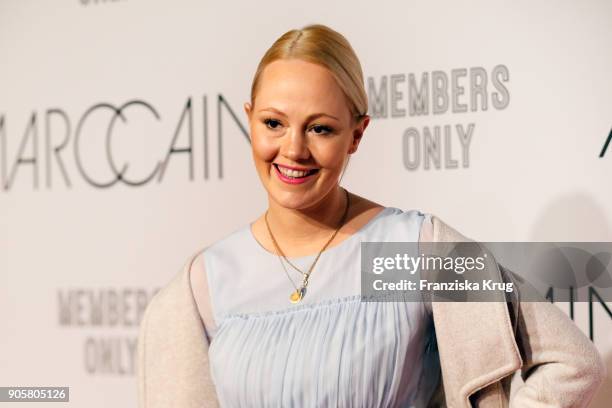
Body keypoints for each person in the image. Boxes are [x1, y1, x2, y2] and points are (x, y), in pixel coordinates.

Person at [137, 24, 606, 407]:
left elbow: (573, 363)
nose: (293, 150)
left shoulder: (405, 250)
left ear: (357, 135)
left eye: (320, 128)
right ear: (249, 119)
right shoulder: (208, 282)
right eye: (274, 123)